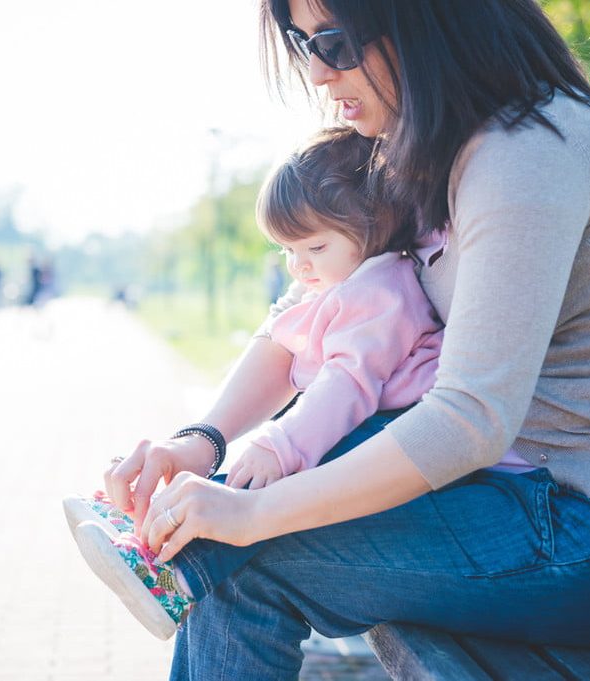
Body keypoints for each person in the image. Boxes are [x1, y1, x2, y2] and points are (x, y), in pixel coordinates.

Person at [107, 1, 590, 677]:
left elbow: (469, 419)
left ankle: (175, 550)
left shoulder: (530, 153)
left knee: (246, 561)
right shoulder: (419, 147)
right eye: (301, 42)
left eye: (334, 43)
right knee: (242, 533)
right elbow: (312, 309)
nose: (315, 72)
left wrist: (251, 515)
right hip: (522, 488)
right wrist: (204, 439)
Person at [66, 127, 444, 639]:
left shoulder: (381, 288)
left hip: (396, 432)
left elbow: (346, 384)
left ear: (376, 229)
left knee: (276, 476)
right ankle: (152, 528)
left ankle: (172, 568)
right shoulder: (340, 282)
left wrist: (280, 444)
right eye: (288, 250)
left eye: (314, 245)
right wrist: (216, 439)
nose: (300, 265)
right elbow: (289, 351)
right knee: (273, 467)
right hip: (368, 422)